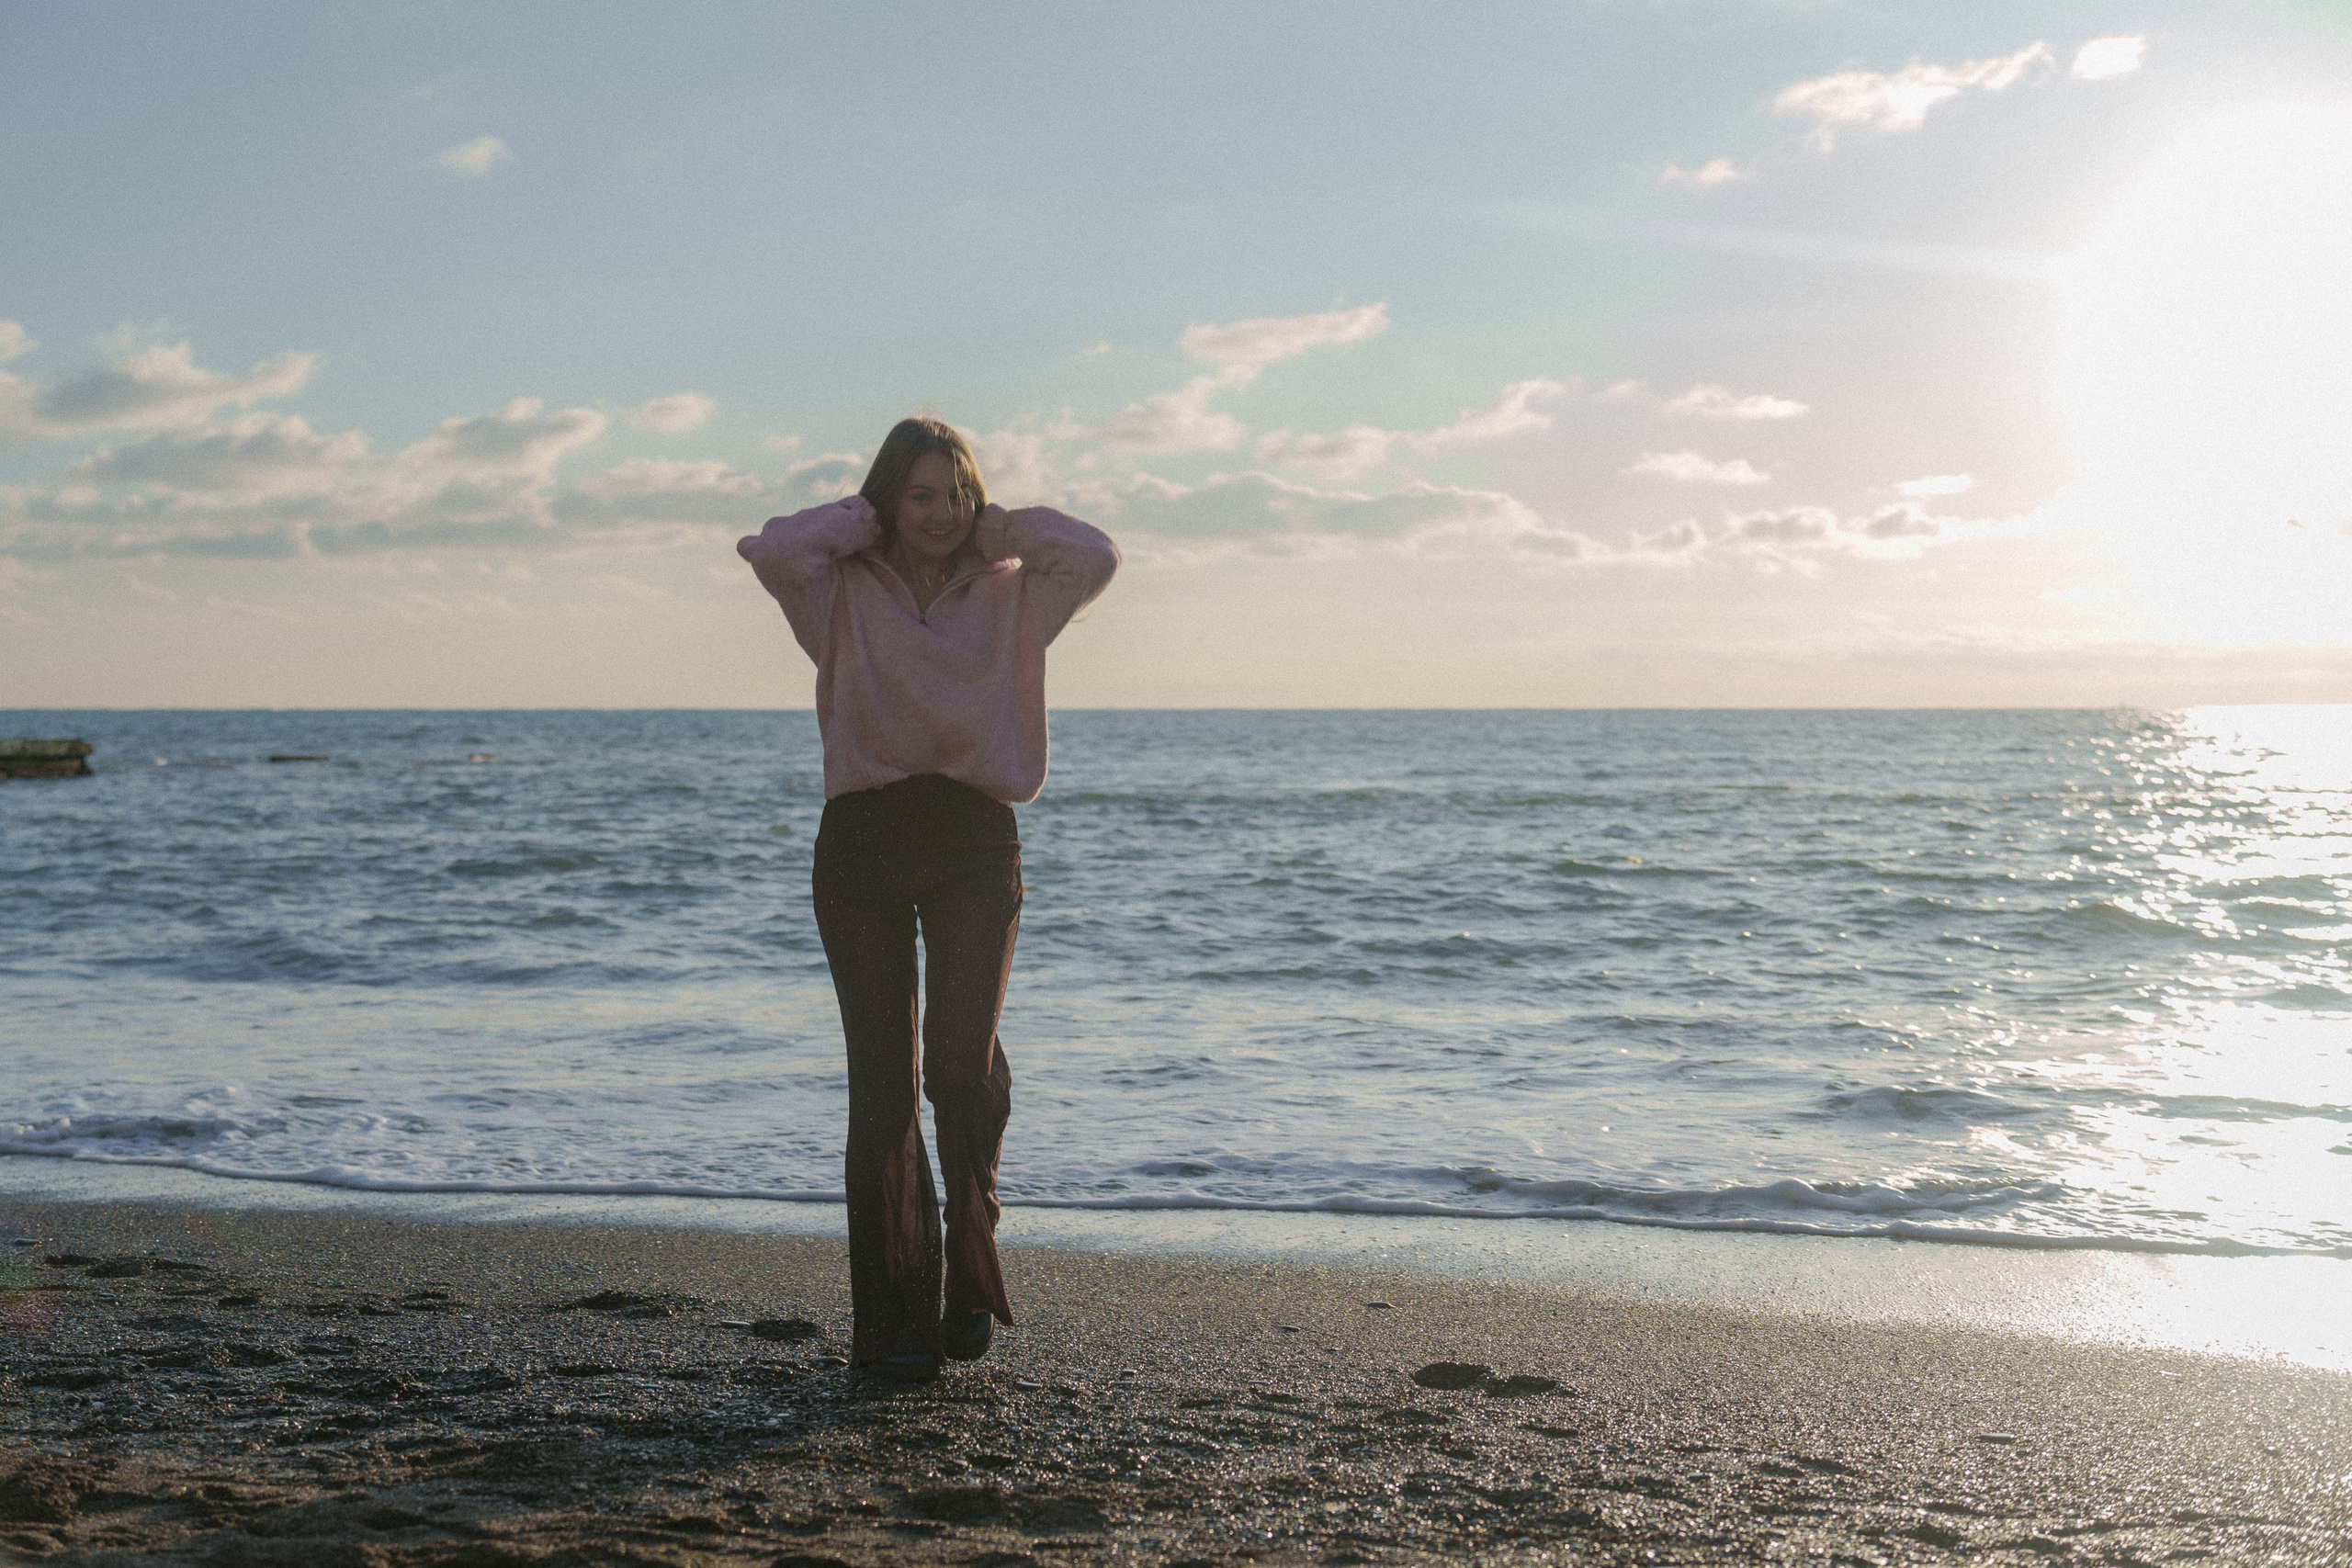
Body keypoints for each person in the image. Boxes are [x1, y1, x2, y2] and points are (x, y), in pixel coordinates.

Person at [738, 416, 1118, 1382]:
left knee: (955, 1066)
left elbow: (1094, 553)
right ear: (884, 502)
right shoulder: (835, 594)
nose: (943, 512)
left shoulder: (1017, 594)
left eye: (958, 492)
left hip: (972, 842)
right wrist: (857, 524)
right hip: (861, 843)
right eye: (922, 495)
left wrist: (997, 532)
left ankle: (969, 1247)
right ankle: (898, 1333)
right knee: (883, 1090)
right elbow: (771, 547)